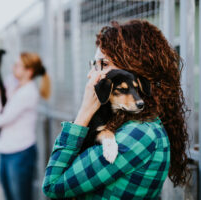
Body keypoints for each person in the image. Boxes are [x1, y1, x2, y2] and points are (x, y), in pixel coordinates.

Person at [42, 20, 189, 199]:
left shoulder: (138, 134)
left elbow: (52, 185)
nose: (91, 74)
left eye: (103, 64)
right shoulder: (124, 122)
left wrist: (84, 113)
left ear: (132, 70)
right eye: (93, 65)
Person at [0, 52, 51, 200]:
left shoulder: (28, 93)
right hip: (5, 150)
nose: (12, 68)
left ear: (28, 72)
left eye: (17, 66)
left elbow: (0, 119)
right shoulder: (13, 83)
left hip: (20, 153)